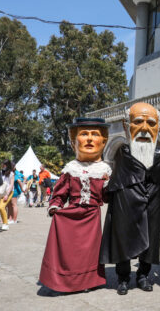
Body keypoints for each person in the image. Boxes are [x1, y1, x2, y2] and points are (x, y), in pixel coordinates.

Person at [39, 117, 111, 293]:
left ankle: (87, 281)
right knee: (71, 251)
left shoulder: (105, 170)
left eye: (94, 134)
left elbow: (108, 198)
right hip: (72, 214)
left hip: (92, 216)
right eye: (84, 134)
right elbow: (60, 193)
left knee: (89, 252)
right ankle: (68, 281)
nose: (89, 139)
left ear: (103, 141)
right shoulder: (71, 168)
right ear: (73, 142)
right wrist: (55, 206)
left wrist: (110, 185)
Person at [100, 103, 160, 296]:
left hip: (152, 199)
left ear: (158, 128)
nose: (145, 128)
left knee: (151, 235)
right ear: (127, 125)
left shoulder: (159, 159)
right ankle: (123, 278)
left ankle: (143, 275)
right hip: (125, 199)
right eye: (138, 122)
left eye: (151, 123)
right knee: (123, 236)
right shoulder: (122, 156)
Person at [0, 160, 15, 231]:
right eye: (3, 164)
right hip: (1, 192)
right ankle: (4, 223)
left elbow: (11, 185)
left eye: (5, 164)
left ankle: (6, 223)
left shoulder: (11, 173)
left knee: (2, 207)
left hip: (9, 192)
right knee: (0, 208)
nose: (3, 165)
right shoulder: (1, 172)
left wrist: (7, 195)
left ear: (8, 165)